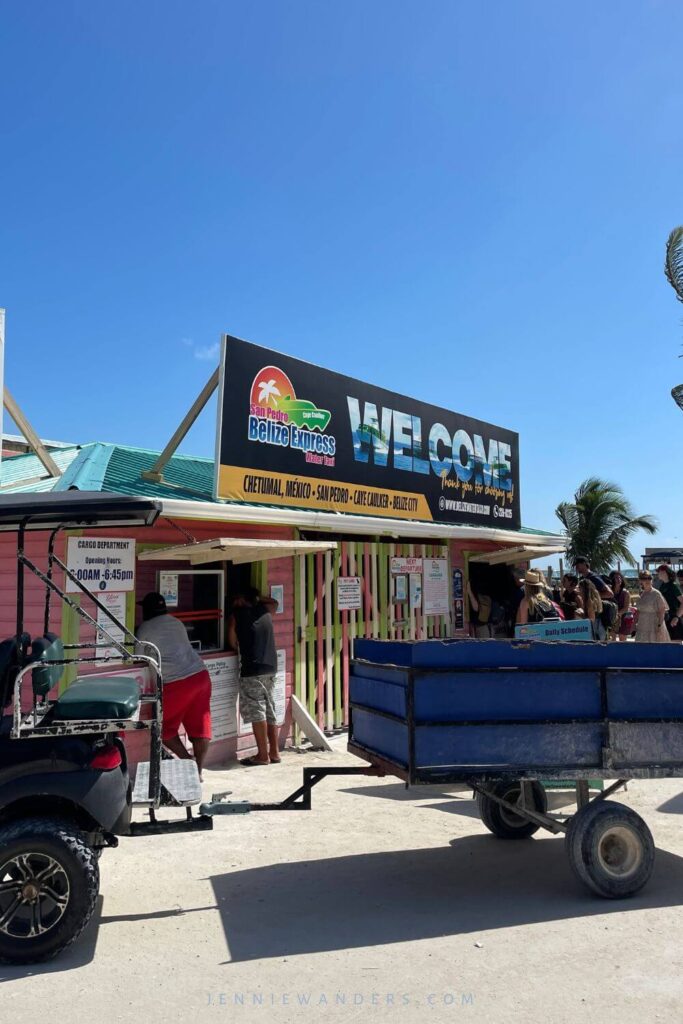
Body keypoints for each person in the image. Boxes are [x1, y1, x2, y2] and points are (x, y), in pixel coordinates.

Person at [135, 592, 212, 779]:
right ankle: (199, 770)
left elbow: (138, 658)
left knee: (163, 729)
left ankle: (189, 764)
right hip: (200, 675)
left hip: (176, 682)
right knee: (200, 727)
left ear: (146, 610)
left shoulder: (144, 629)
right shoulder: (176, 622)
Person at [228, 588, 280, 766]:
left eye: (236, 598)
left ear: (242, 600)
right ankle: (274, 752)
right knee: (269, 709)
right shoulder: (264, 611)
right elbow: (275, 603)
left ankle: (262, 755)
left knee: (257, 711)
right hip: (271, 667)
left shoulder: (238, 615)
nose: (233, 602)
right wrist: (257, 598)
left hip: (252, 669)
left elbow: (232, 642)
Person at [575, 558, 612, 639]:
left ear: (585, 564)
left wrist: (591, 596)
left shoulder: (594, 577)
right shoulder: (582, 579)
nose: (576, 567)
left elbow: (610, 593)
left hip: (597, 621)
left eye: (578, 565)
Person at [635, 571, 670, 643]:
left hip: (654, 625)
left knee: (655, 649)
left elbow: (662, 610)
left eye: (649, 578)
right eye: (644, 578)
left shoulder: (656, 593)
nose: (647, 580)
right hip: (642, 625)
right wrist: (634, 624)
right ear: (640, 581)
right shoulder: (641, 594)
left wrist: (660, 626)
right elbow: (638, 611)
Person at [656, 564, 682, 639]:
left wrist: (677, 617)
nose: (658, 573)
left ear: (665, 572)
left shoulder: (673, 585)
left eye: (659, 571)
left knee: (676, 642)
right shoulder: (662, 585)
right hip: (665, 617)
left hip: (673, 617)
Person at [609, 571, 632, 641]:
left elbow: (626, 607)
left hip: (623, 618)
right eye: (616, 578)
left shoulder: (625, 593)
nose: (619, 579)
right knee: (612, 641)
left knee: (622, 641)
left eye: (620, 578)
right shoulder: (609, 591)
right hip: (611, 618)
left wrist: (617, 614)